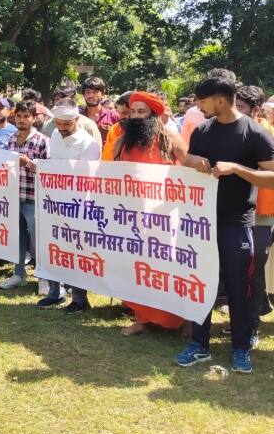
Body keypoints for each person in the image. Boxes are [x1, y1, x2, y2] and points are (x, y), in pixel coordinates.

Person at [178, 72, 274, 374]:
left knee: (238, 288)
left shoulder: (255, 133)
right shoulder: (203, 130)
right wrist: (193, 161)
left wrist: (237, 169)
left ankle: (241, 347)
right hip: (202, 222)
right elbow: (188, 161)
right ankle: (199, 344)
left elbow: (272, 178)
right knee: (200, 283)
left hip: (237, 222)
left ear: (220, 100)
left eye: (202, 100)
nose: (198, 105)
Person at [108, 92, 188, 332]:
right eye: (132, 112)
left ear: (154, 114)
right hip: (133, 216)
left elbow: (190, 169)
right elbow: (111, 173)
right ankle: (142, 319)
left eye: (141, 112)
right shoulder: (123, 139)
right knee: (138, 266)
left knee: (170, 268)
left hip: (166, 216)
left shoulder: (169, 137)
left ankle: (183, 320)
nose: (135, 117)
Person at [36, 99, 101, 308]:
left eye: (67, 124)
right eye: (59, 123)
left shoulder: (89, 144)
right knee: (52, 246)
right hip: (52, 203)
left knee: (75, 251)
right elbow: (52, 165)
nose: (62, 128)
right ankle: (55, 293)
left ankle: (80, 299)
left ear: (77, 119)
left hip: (77, 206)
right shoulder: (55, 134)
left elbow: (86, 178)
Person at [0, 101, 51, 289]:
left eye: (26, 116)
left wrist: (28, 163)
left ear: (34, 118)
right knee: (17, 238)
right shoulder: (11, 139)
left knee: (38, 240)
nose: (22, 120)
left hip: (33, 199)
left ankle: (44, 277)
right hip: (14, 197)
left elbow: (49, 172)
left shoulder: (43, 141)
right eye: (19, 116)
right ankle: (18, 273)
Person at [235, 85, 274, 326]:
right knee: (242, 263)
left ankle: (252, 322)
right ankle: (252, 311)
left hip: (263, 209)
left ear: (256, 110)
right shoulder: (232, 130)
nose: (235, 112)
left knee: (256, 261)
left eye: (240, 108)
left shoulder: (265, 133)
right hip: (238, 210)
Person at [81, 76, 120, 140]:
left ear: (102, 94)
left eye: (95, 92)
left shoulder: (114, 116)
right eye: (88, 92)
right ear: (84, 95)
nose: (91, 95)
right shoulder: (78, 117)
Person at [101, 92, 132, 161]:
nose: (120, 117)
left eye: (125, 113)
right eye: (118, 112)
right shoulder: (115, 130)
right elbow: (107, 160)